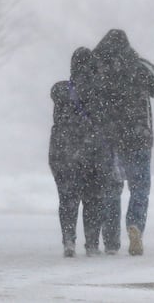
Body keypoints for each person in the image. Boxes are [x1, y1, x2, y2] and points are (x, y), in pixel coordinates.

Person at [92, 29, 154, 256]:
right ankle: (135, 226)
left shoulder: (98, 69)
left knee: (112, 188)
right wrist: (139, 60)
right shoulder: (139, 67)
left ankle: (112, 239)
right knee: (139, 188)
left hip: (110, 138)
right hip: (138, 136)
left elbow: (87, 95)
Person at [49, 47, 122, 257]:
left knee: (67, 198)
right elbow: (108, 124)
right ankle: (91, 243)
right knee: (93, 199)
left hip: (65, 151)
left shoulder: (62, 91)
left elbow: (58, 121)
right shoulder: (102, 91)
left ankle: (69, 240)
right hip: (94, 153)